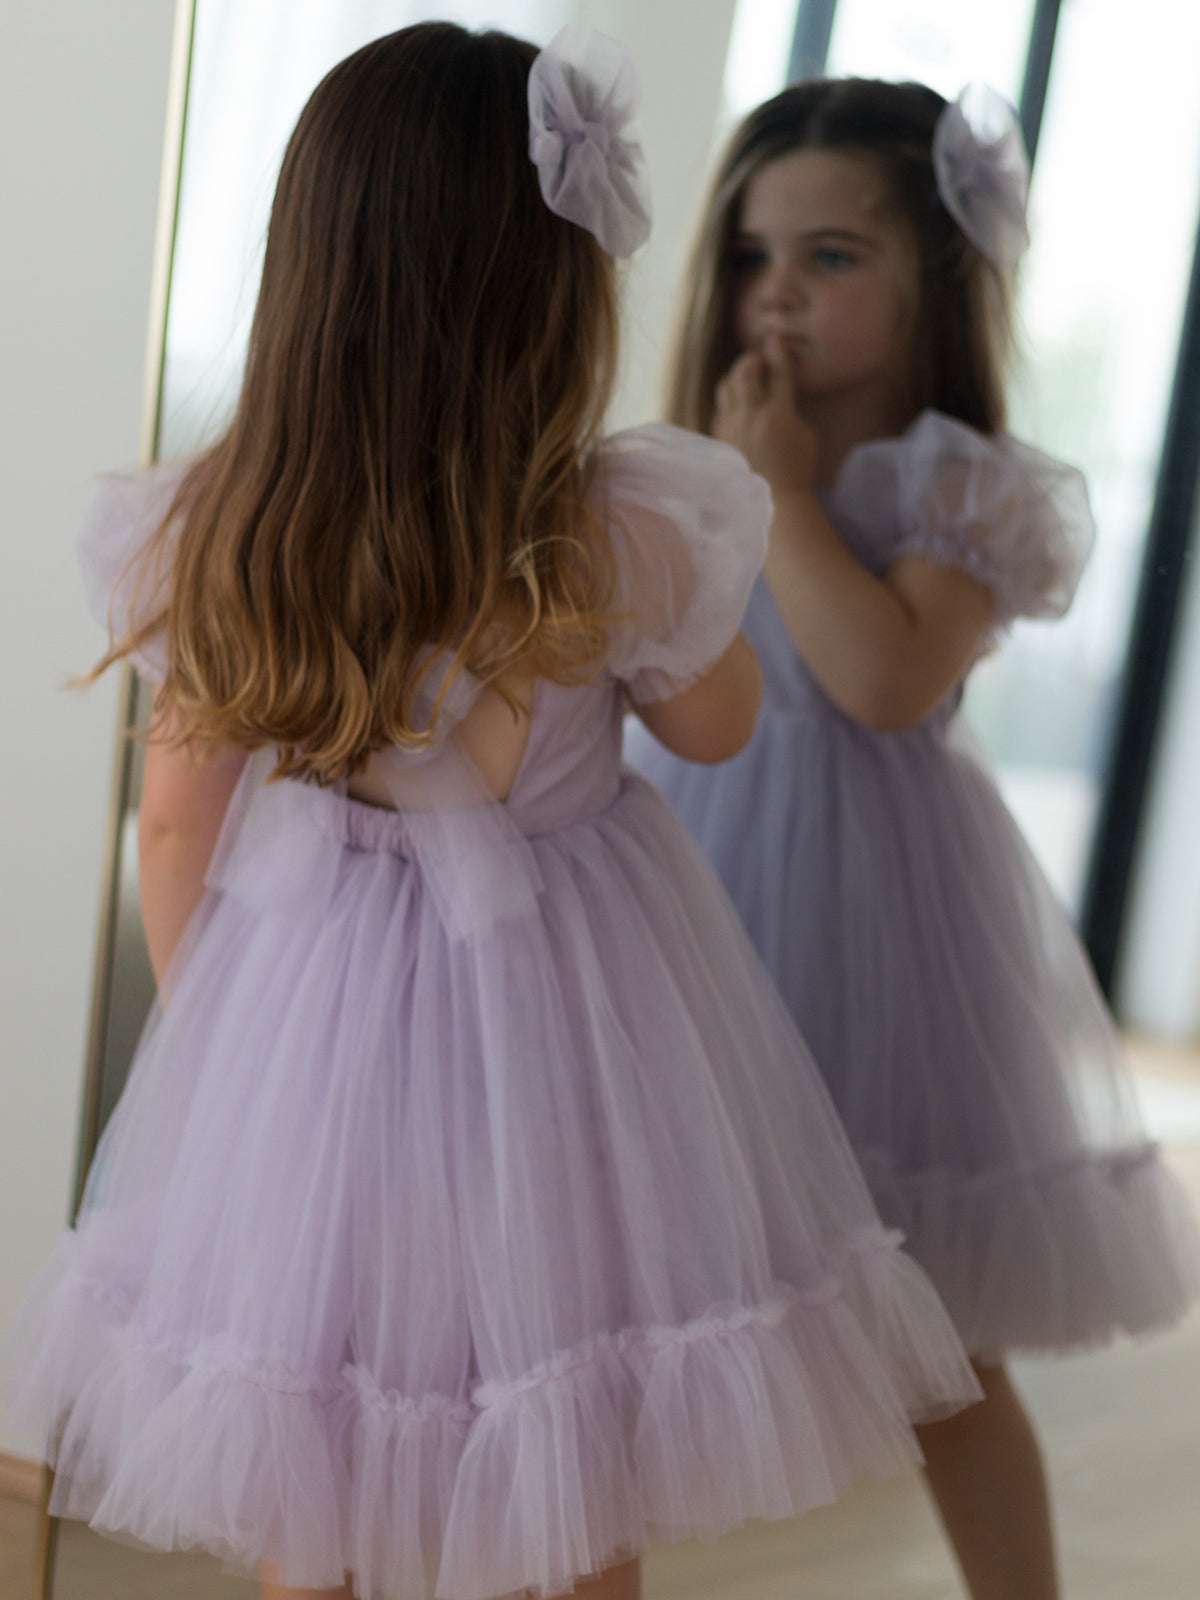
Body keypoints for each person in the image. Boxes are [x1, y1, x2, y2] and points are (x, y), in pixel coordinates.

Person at [1, 30, 983, 1600]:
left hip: (307, 1052)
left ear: (309, 269)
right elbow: (721, 727)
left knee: (312, 1447)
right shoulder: (622, 532)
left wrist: (230, 1060)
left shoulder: (220, 529)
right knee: (571, 1424)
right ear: (559, 294)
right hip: (571, 1047)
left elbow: (178, 828)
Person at [628, 76, 1200, 1600]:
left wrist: (785, 497)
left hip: (887, 923)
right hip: (698, 886)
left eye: (832, 256)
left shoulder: (958, 486)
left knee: (943, 1339)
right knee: (642, 1278)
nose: (777, 296)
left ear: (935, 276)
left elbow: (880, 680)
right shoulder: (690, 463)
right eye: (753, 257)